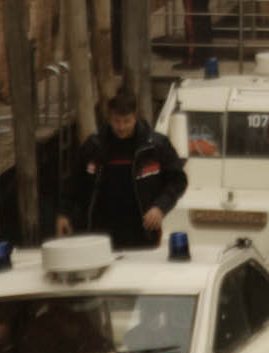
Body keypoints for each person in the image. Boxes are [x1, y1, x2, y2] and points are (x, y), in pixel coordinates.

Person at [65, 85, 186, 251]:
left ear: (135, 117)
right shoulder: (93, 146)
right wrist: (64, 214)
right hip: (99, 235)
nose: (121, 127)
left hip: (142, 234)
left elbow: (178, 181)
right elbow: (74, 184)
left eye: (126, 121)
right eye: (116, 121)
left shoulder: (157, 146)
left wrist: (160, 207)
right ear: (109, 118)